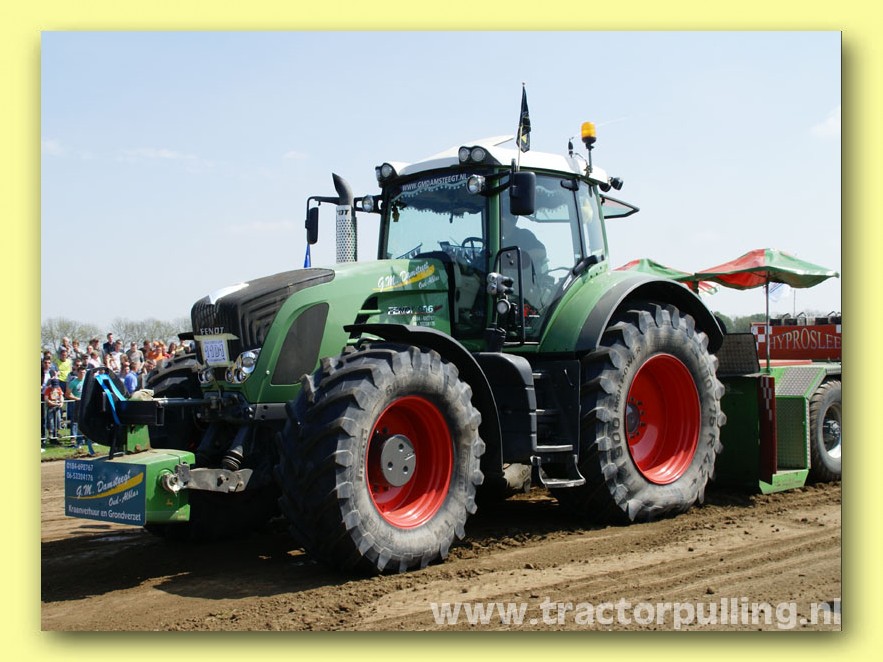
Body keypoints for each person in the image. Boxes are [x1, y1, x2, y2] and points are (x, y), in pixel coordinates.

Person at [65, 365, 95, 454]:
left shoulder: (87, 382)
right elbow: (68, 394)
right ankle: (78, 440)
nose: (82, 374)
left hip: (87, 404)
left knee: (87, 421)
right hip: (77, 404)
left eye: (84, 373)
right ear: (77, 373)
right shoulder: (73, 382)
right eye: (81, 372)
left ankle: (89, 439)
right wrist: (77, 399)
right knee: (77, 421)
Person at [43, 373, 65, 444]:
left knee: (58, 420)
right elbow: (46, 399)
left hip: (57, 407)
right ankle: (51, 434)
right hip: (50, 407)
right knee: (51, 421)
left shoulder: (58, 388)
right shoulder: (48, 389)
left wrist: (61, 402)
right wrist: (52, 403)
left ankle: (56, 433)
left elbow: (61, 396)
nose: (54, 388)